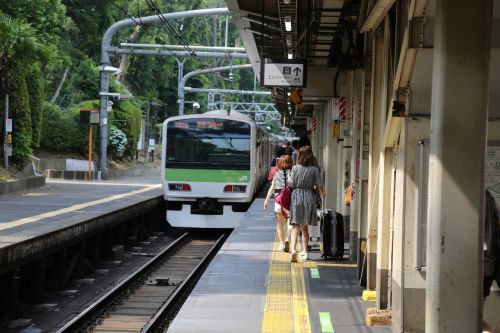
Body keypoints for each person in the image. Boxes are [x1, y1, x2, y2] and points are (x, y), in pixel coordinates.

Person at [289, 146, 326, 262]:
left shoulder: (294, 168)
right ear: (311, 156)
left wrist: (291, 178)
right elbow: (320, 185)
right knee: (304, 227)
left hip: (296, 196)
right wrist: (323, 193)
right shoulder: (314, 170)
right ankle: (305, 252)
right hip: (309, 196)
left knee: (295, 226)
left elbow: (291, 183)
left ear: (299, 156)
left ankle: (293, 250)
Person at [264, 155, 293, 252]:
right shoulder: (293, 173)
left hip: (279, 200)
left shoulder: (276, 174)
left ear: (279, 163)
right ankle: (288, 238)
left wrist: (266, 201)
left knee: (280, 223)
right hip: (291, 199)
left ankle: (281, 244)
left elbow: (271, 188)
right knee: (290, 222)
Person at [483, 189, 499, 333]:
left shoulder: (476, 196)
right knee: (475, 314)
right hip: (487, 263)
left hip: (479, 264)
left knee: (473, 315)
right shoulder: (487, 196)